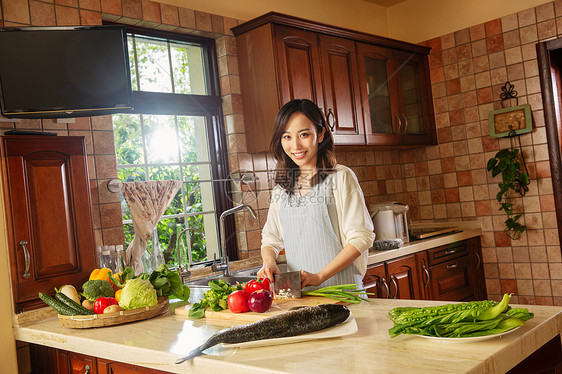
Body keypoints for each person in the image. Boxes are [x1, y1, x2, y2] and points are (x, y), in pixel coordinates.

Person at [257, 99, 375, 291]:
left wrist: (320, 277)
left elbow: (361, 237)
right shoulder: (282, 189)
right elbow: (271, 238)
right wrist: (269, 261)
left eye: (303, 134)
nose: (295, 145)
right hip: (303, 300)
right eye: (286, 137)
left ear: (320, 134)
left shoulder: (340, 177)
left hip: (343, 296)